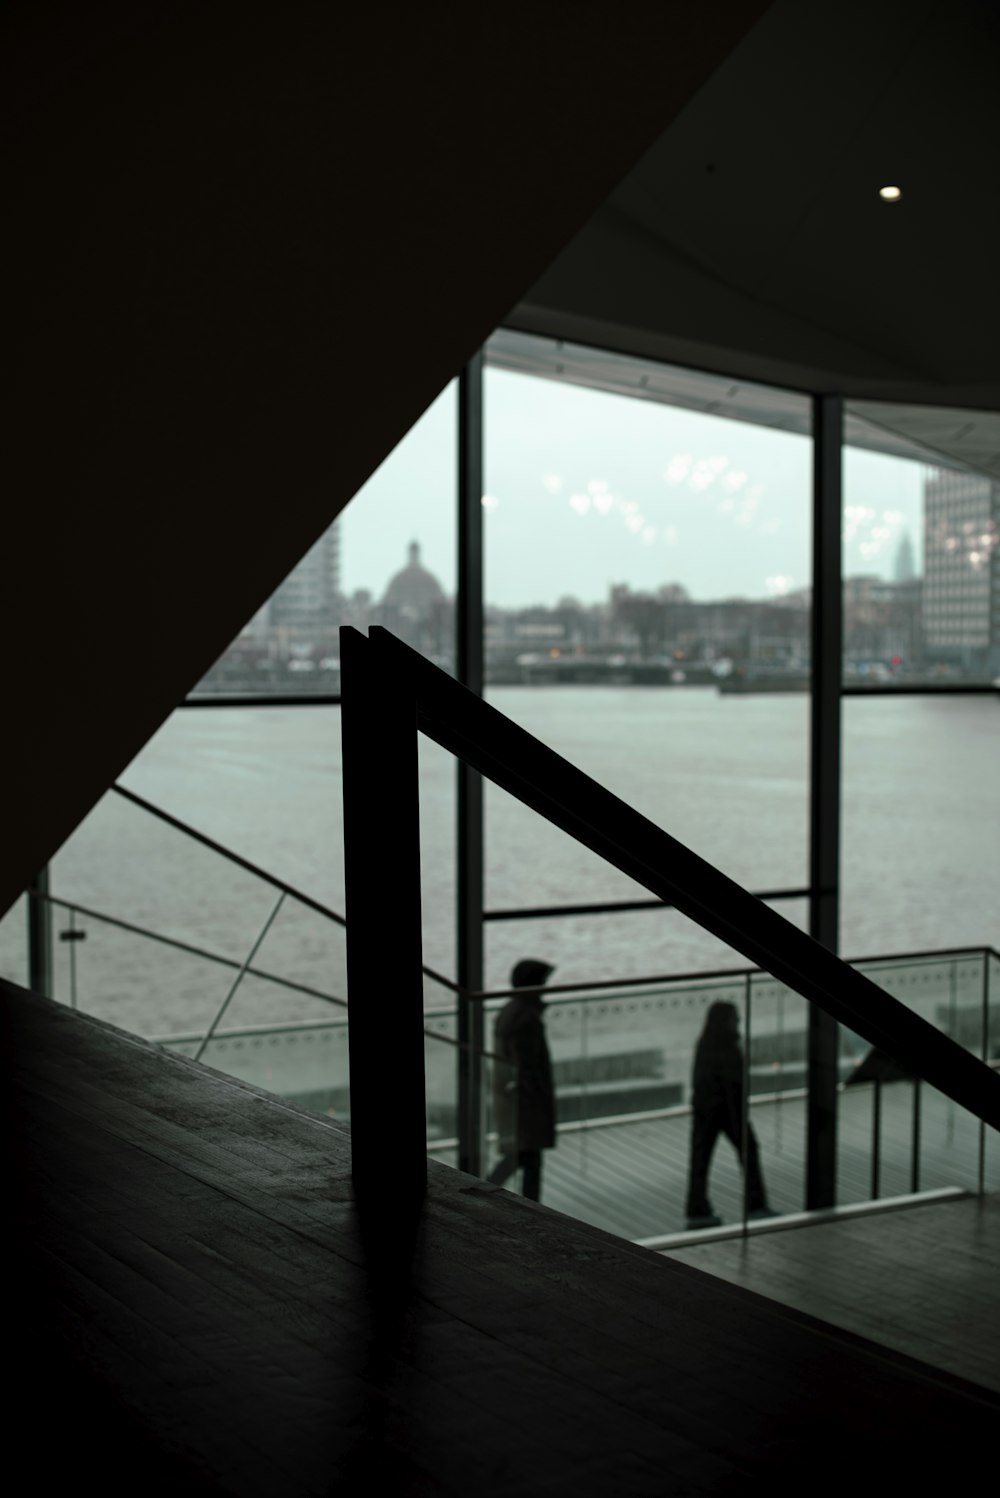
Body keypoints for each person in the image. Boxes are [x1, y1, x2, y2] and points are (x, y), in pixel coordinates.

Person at [685, 1000, 775, 1229]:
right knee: (749, 1151)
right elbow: (733, 1086)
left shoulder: (705, 1044)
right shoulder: (730, 1048)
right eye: (735, 1018)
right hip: (729, 1111)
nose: (739, 1021)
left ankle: (697, 1208)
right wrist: (739, 1116)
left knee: (701, 1160)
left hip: (706, 1110)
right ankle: (756, 1205)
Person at [486, 958, 556, 1202]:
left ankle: (487, 1191)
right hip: (526, 1100)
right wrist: (537, 1094)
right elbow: (527, 1065)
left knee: (523, 1156)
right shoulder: (526, 1018)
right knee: (529, 1158)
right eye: (543, 983)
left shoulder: (510, 1012)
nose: (546, 988)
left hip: (515, 1096)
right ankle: (531, 1207)